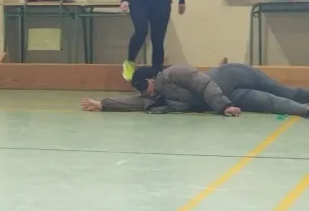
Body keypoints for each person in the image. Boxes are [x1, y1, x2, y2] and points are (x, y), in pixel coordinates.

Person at [82, 62, 309, 117]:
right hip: (229, 96)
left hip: (233, 76)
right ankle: (305, 110)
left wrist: (224, 107)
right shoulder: (158, 97)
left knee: (284, 92)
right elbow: (133, 102)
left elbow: (205, 84)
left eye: (144, 86)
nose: (144, 93)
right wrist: (103, 104)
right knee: (270, 103)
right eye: (139, 90)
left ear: (152, 78)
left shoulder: (174, 73)